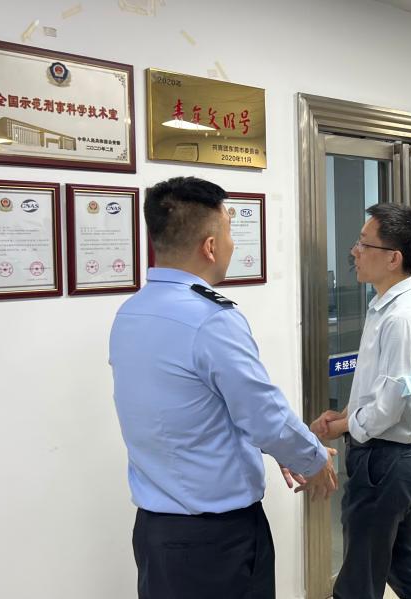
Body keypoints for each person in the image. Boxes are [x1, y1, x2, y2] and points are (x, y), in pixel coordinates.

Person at [109, 176, 337, 599]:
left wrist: (280, 448)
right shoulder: (212, 319)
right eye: (230, 232)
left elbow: (196, 413)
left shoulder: (131, 313)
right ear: (210, 246)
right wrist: (312, 458)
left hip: (156, 533)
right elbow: (264, 415)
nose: (234, 244)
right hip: (216, 543)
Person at [311, 204, 411, 599]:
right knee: (407, 569)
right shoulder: (384, 306)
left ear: (393, 258)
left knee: (358, 582)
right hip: (390, 459)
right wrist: (345, 414)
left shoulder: (400, 317)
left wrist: (339, 427)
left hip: (385, 461)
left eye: (363, 244)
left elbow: (388, 408)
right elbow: (380, 388)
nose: (354, 251)